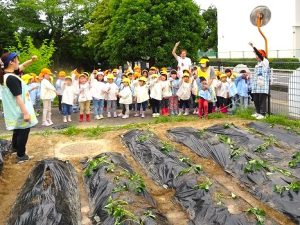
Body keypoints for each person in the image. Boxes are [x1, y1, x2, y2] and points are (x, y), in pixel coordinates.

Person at [0, 52, 38, 163]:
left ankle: (15, 149)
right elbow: (18, 97)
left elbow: (23, 66)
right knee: (24, 131)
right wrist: (26, 113)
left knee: (17, 130)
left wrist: (31, 60)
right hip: (19, 109)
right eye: (17, 59)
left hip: (13, 110)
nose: (19, 62)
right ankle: (21, 156)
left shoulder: (6, 75)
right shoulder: (11, 78)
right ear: (11, 62)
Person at [249, 42, 270, 119]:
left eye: (257, 55)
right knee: (255, 99)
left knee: (262, 99)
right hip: (256, 85)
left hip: (263, 85)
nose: (256, 57)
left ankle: (263, 114)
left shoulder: (265, 62)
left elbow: (260, 55)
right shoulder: (257, 65)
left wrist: (253, 47)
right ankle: (258, 112)